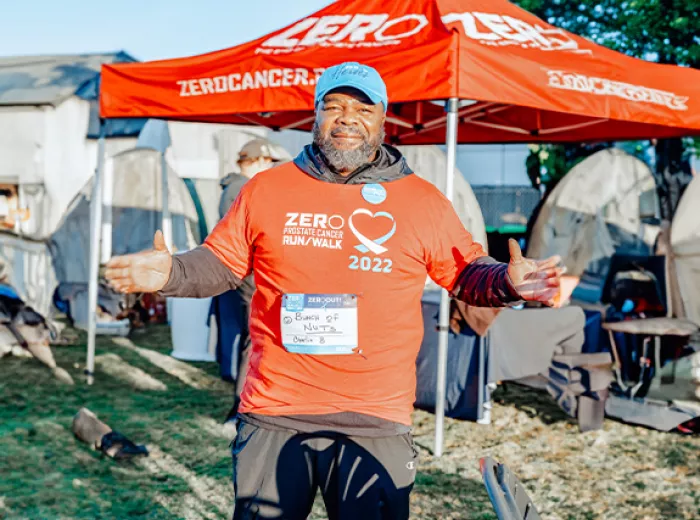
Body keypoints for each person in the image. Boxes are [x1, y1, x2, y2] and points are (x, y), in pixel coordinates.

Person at [105, 61, 562, 520]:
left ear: (384, 119)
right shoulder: (267, 189)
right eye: (334, 106)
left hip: (375, 420)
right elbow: (220, 264)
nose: (347, 118)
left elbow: (467, 275)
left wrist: (507, 281)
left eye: (363, 108)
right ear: (316, 115)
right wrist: (170, 272)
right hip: (276, 412)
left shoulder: (423, 202)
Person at [217, 137, 285, 413]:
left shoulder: (236, 188)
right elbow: (248, 234)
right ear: (256, 161)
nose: (270, 168)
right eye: (268, 162)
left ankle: (245, 400)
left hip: (244, 273)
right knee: (254, 338)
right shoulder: (240, 189)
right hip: (249, 275)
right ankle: (242, 403)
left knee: (250, 337)